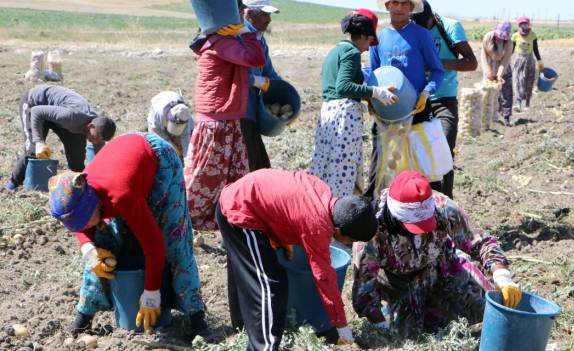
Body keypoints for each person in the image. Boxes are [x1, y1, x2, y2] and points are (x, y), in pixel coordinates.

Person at [48, 133, 209, 337]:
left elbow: (154, 245)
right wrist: (90, 251)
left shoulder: (121, 196)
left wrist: (151, 294)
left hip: (159, 161)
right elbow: (82, 229)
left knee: (173, 240)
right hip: (124, 166)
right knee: (107, 246)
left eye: (84, 221)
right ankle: (84, 318)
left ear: (93, 205)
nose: (82, 228)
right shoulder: (78, 195)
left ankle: (197, 320)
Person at [216, 169, 378, 349]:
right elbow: (324, 278)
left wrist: (280, 240)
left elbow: (284, 206)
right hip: (239, 212)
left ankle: (242, 325)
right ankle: (262, 346)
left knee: (249, 273)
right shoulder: (317, 225)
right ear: (339, 230)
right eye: (352, 240)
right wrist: (342, 327)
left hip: (242, 198)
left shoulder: (323, 191)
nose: (350, 243)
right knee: (271, 286)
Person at [352, 171, 521, 337]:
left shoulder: (442, 207)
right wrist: (382, 326)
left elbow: (481, 242)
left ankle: (465, 270)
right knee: (403, 337)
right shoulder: (371, 232)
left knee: (489, 315)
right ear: (396, 217)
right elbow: (364, 294)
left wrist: (501, 274)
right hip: (398, 288)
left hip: (441, 272)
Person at [186, 3, 266, 230]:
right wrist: (247, 32)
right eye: (239, 13)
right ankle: (183, 214)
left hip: (226, 117)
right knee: (204, 174)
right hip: (217, 119)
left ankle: (228, 214)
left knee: (233, 172)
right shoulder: (221, 43)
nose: (242, 17)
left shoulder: (222, 42)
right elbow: (255, 58)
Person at [308, 9, 398, 198]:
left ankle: (319, 206)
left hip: (328, 113)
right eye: (369, 42)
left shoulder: (336, 50)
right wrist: (375, 92)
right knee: (341, 169)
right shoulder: (351, 52)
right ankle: (339, 215)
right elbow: (344, 86)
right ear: (364, 36)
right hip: (344, 116)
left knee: (325, 164)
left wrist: (365, 95)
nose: (368, 48)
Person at [366, 0, 445, 196]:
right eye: (394, 3)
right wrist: (371, 99)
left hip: (416, 109)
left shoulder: (421, 36)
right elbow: (373, 73)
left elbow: (437, 71)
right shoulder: (378, 38)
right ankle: (378, 211)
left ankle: (425, 211)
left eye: (404, 4)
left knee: (421, 167)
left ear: (411, 8)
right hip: (386, 112)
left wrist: (426, 93)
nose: (399, 7)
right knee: (381, 166)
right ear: (387, 6)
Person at [411, 0, 478, 198]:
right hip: (417, 101)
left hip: (444, 99)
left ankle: (445, 204)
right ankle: (424, 204)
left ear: (432, 18)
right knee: (419, 156)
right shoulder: (411, 28)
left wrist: (438, 63)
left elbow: (471, 63)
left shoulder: (450, 27)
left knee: (444, 153)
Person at [5, 84, 116, 191]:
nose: (96, 142)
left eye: (100, 140)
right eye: (96, 138)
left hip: (57, 115)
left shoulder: (97, 131)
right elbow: (37, 112)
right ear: (90, 126)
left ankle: (74, 189)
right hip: (35, 104)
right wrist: (39, 142)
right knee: (33, 150)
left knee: (77, 161)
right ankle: (12, 183)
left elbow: (100, 160)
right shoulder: (72, 117)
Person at [241, 0, 281, 171]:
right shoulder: (241, 36)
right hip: (239, 112)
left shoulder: (260, 40)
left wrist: (284, 90)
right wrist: (256, 81)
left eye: (269, 14)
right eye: (264, 14)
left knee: (259, 165)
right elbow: (235, 75)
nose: (269, 19)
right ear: (249, 14)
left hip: (252, 113)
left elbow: (269, 73)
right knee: (252, 165)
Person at [481, 21, 514, 126]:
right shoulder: (487, 37)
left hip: (503, 68)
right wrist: (488, 71)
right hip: (490, 65)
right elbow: (483, 56)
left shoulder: (509, 43)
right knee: (488, 92)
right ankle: (487, 117)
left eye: (503, 37)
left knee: (506, 93)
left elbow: (505, 60)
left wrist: (500, 75)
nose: (500, 38)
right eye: (499, 36)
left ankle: (506, 116)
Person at [511, 16, 543, 113]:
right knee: (518, 80)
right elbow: (511, 50)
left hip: (529, 60)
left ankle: (528, 101)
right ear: (518, 25)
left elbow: (535, 49)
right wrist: (505, 59)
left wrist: (540, 62)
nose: (523, 26)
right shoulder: (515, 36)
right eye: (521, 24)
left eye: (525, 24)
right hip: (519, 61)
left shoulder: (533, 35)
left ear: (528, 24)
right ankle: (518, 102)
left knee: (529, 81)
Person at [147, 91, 194, 158]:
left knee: (185, 143)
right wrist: (171, 147)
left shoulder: (185, 117)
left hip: (172, 102)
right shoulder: (157, 113)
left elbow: (186, 140)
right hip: (158, 106)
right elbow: (159, 134)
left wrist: (187, 159)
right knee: (159, 145)